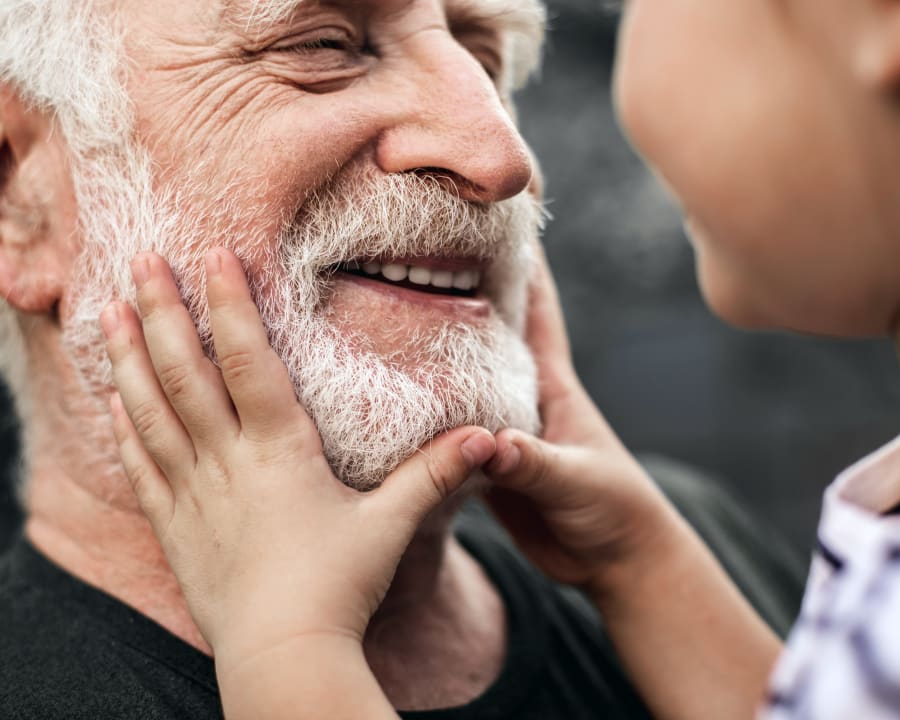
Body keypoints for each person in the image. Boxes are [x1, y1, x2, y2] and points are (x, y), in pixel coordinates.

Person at [0, 1, 801, 718]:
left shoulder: (706, 547)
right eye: (324, 44)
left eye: (483, 55)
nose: (501, 157)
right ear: (16, 194)